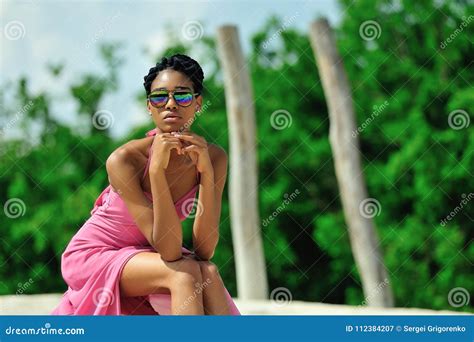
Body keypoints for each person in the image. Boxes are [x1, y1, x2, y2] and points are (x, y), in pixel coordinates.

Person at [51, 54, 241, 315]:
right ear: (149, 107)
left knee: (207, 271)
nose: (170, 105)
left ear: (198, 103)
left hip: (147, 253)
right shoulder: (125, 160)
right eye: (159, 97)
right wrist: (156, 171)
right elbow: (170, 250)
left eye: (183, 96)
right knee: (183, 274)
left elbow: (205, 249)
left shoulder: (214, 157)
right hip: (96, 254)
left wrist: (206, 172)